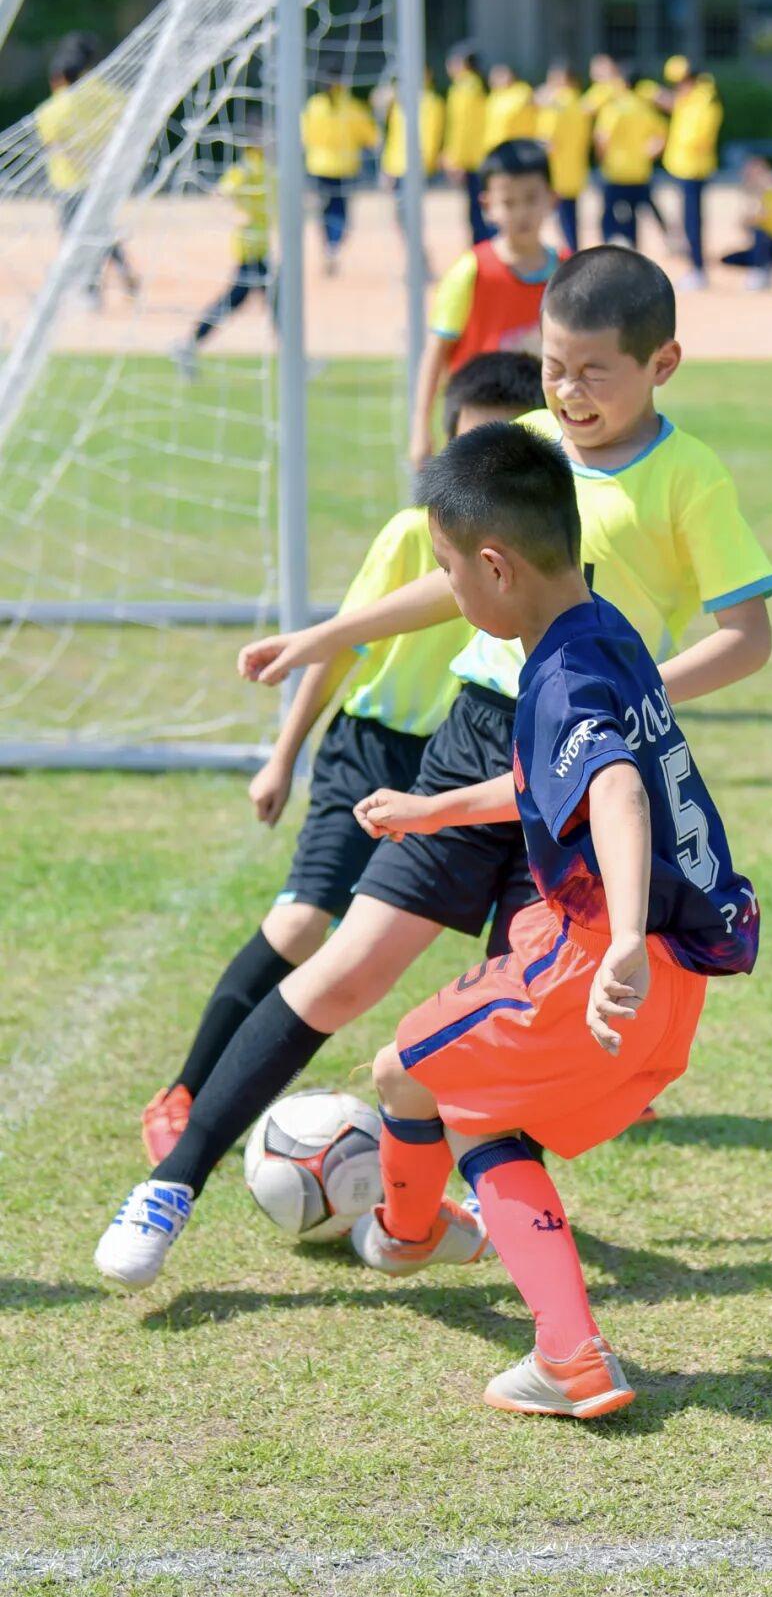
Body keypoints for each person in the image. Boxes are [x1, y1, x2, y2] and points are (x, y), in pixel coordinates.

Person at [94, 247, 772, 1293]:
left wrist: (623, 708)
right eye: (555, 365)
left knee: (520, 1024)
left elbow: (748, 633)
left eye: (595, 371)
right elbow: (444, 579)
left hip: (580, 779)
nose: (568, 390)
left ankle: (436, 1229)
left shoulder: (691, 479)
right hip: (475, 737)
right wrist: (322, 636)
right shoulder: (522, 449)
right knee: (351, 967)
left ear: (663, 365)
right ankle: (174, 1183)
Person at [344, 422, 760, 1418]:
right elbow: (556, 776)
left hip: (589, 965)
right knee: (486, 1112)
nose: (449, 592)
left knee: (403, 1069)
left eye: (449, 573)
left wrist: (613, 935)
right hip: (670, 978)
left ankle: (409, 1235)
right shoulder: (603, 629)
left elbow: (610, 786)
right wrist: (436, 808)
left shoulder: (558, 678)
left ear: (496, 567)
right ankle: (567, 1354)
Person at [139, 353, 546, 1164]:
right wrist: (282, 756)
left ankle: (537, 1095)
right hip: (373, 746)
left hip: (463, 757)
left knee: (520, 942)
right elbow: (347, 641)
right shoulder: (412, 534)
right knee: (301, 923)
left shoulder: (536, 550)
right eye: (472, 448)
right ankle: (185, 1090)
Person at [409, 139, 560, 467]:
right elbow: (436, 352)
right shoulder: (471, 271)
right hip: (477, 434)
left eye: (531, 199)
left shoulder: (567, 272)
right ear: (487, 205)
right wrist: (420, 427)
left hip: (543, 433)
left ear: (552, 198)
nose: (521, 212)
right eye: (508, 202)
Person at [35, 31, 139, 307]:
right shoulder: (109, 96)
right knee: (99, 230)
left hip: (70, 182)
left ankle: (92, 291)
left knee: (78, 236)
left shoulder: (52, 110)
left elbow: (53, 144)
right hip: (104, 179)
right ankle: (121, 275)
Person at [170, 124, 273, 381]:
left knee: (258, 299)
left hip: (259, 245)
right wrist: (241, 214)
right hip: (249, 245)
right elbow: (222, 192)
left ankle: (190, 344)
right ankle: (189, 344)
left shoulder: (265, 169)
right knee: (264, 298)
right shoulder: (247, 169)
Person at [301, 54, 378, 276]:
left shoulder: (314, 106)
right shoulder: (353, 108)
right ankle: (333, 246)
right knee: (340, 212)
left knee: (325, 211)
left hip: (319, 167)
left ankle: (328, 246)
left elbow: (304, 137)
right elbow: (372, 138)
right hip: (344, 168)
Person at [659, 56, 723, 291]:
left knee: (693, 222)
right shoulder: (690, 100)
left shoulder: (704, 101)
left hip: (694, 169)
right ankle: (695, 267)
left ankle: (698, 269)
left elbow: (699, 137)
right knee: (689, 222)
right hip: (685, 168)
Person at [593, 64, 668, 248]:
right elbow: (662, 136)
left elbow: (602, 137)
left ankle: (611, 249)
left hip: (616, 171)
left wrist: (601, 158)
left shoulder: (615, 107)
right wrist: (649, 154)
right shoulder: (645, 108)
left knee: (609, 216)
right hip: (640, 170)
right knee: (635, 214)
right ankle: (636, 248)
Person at [379, 69, 445, 276]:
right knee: (400, 217)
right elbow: (393, 136)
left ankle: (419, 262)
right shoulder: (399, 101)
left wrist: (425, 164)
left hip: (415, 168)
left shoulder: (432, 102)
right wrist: (387, 166)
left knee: (411, 215)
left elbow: (432, 136)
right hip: (398, 166)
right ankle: (419, 257)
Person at [535, 62, 591, 253]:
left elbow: (547, 139)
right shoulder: (580, 103)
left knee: (562, 221)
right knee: (572, 219)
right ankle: (574, 253)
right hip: (575, 168)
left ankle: (570, 258)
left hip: (557, 170)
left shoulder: (556, 104)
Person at [718, 156, 772, 291]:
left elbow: (757, 217)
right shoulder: (758, 195)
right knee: (728, 259)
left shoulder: (771, 192)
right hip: (763, 245)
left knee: (759, 233)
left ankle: (760, 272)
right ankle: (763, 267)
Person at [443, 44, 490, 244]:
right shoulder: (476, 86)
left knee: (477, 209)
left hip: (472, 158)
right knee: (478, 208)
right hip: (477, 157)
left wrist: (456, 158)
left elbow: (463, 127)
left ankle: (482, 248)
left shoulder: (464, 88)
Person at [483, 65, 537, 153]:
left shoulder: (522, 91)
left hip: (517, 148)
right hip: (494, 148)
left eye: (499, 76)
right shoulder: (494, 96)